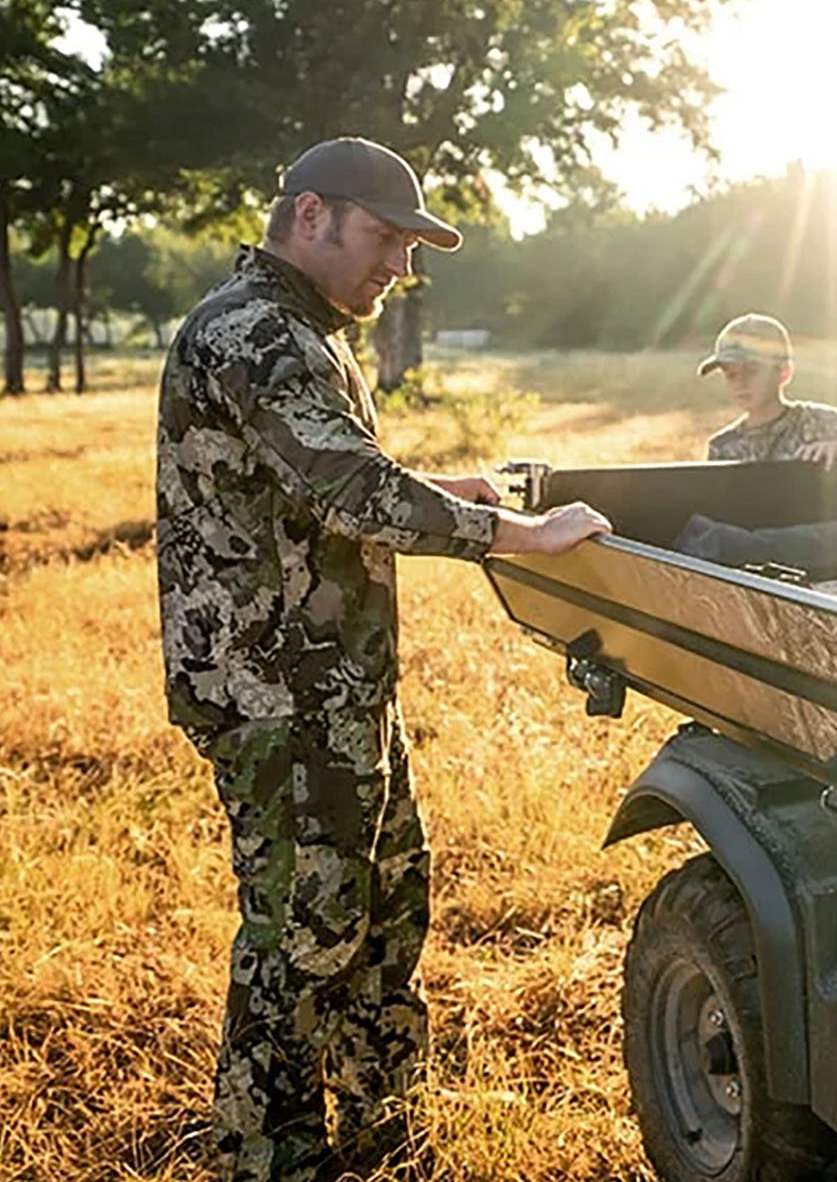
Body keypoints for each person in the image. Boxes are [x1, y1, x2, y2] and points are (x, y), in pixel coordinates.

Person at [155, 136, 611, 1182]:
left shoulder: (304, 327)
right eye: (386, 237)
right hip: (277, 692)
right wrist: (521, 537)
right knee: (302, 936)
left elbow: (322, 476)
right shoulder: (254, 332)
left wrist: (460, 492)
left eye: (411, 245)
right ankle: (269, 1158)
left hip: (336, 684)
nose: (400, 265)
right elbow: (349, 487)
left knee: (388, 906)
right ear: (310, 215)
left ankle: (380, 1127)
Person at [698, 312, 837, 463]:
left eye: (752, 371)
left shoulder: (817, 423)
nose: (740, 383)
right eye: (731, 374)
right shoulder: (722, 447)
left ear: (783, 373)